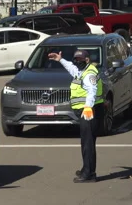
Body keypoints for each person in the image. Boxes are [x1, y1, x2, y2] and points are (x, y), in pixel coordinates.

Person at [48, 49, 104, 183]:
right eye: (76, 60)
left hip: (89, 111)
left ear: (87, 60)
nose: (77, 62)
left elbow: (92, 91)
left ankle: (89, 174)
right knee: (87, 141)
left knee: (87, 143)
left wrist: (88, 108)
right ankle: (87, 169)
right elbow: (73, 70)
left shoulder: (89, 73)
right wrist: (61, 60)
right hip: (87, 110)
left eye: (80, 60)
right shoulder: (83, 71)